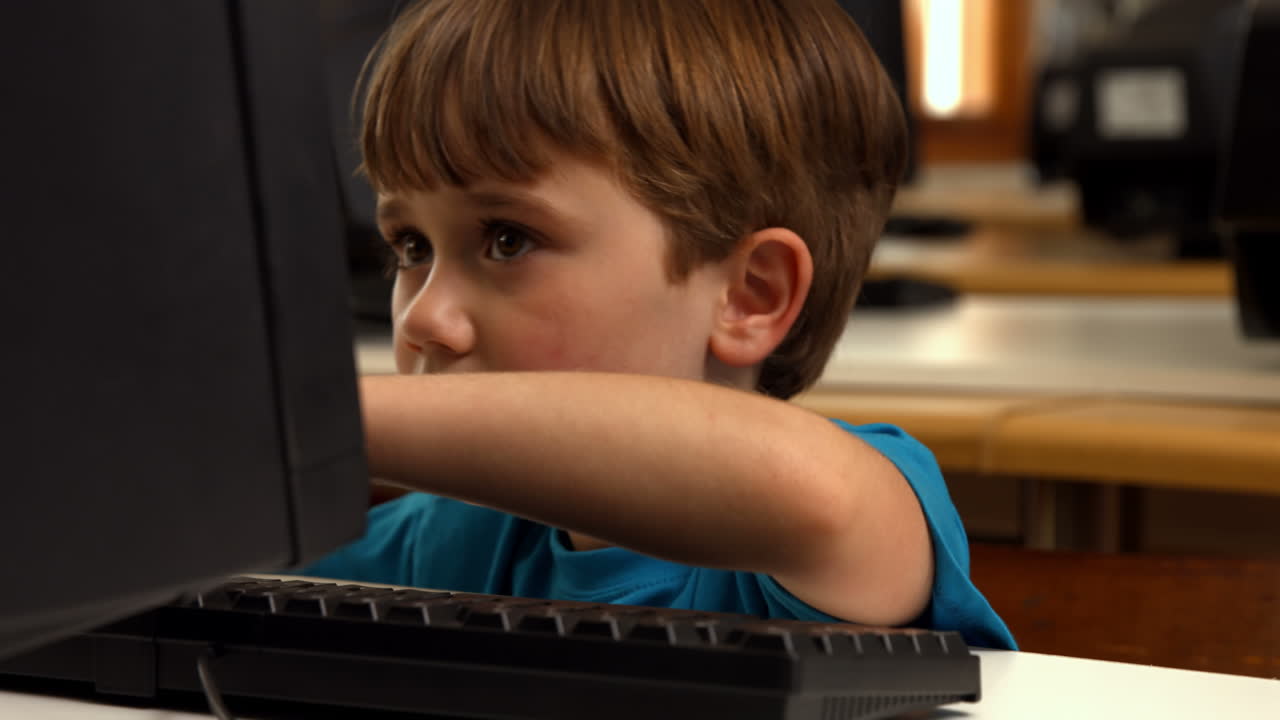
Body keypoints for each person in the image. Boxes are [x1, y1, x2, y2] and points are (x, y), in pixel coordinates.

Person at [303, 0, 1015, 649]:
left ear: (749, 296)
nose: (424, 315)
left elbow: (812, 493)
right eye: (411, 247)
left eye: (508, 240)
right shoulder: (452, 540)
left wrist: (311, 420)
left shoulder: (834, 519)